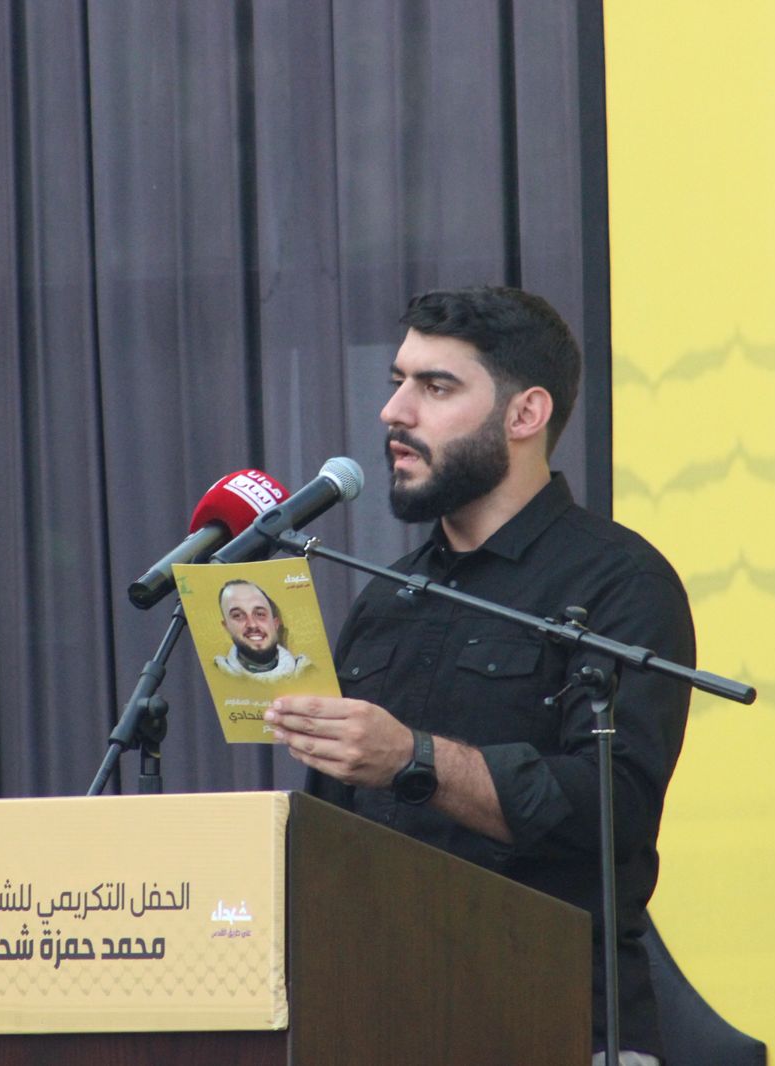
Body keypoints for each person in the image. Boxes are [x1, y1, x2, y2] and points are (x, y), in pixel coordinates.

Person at [264, 286, 693, 1065]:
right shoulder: (385, 598)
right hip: (379, 1024)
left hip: (557, 1022)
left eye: (435, 387)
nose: (394, 411)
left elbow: (612, 812)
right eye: (397, 381)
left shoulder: (620, 583)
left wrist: (412, 760)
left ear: (526, 414)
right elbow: (333, 833)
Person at [212, 578, 311, 682]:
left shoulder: (309, 673)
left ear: (275, 624)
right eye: (238, 615)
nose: (252, 624)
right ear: (226, 627)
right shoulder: (215, 677)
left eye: (260, 614)